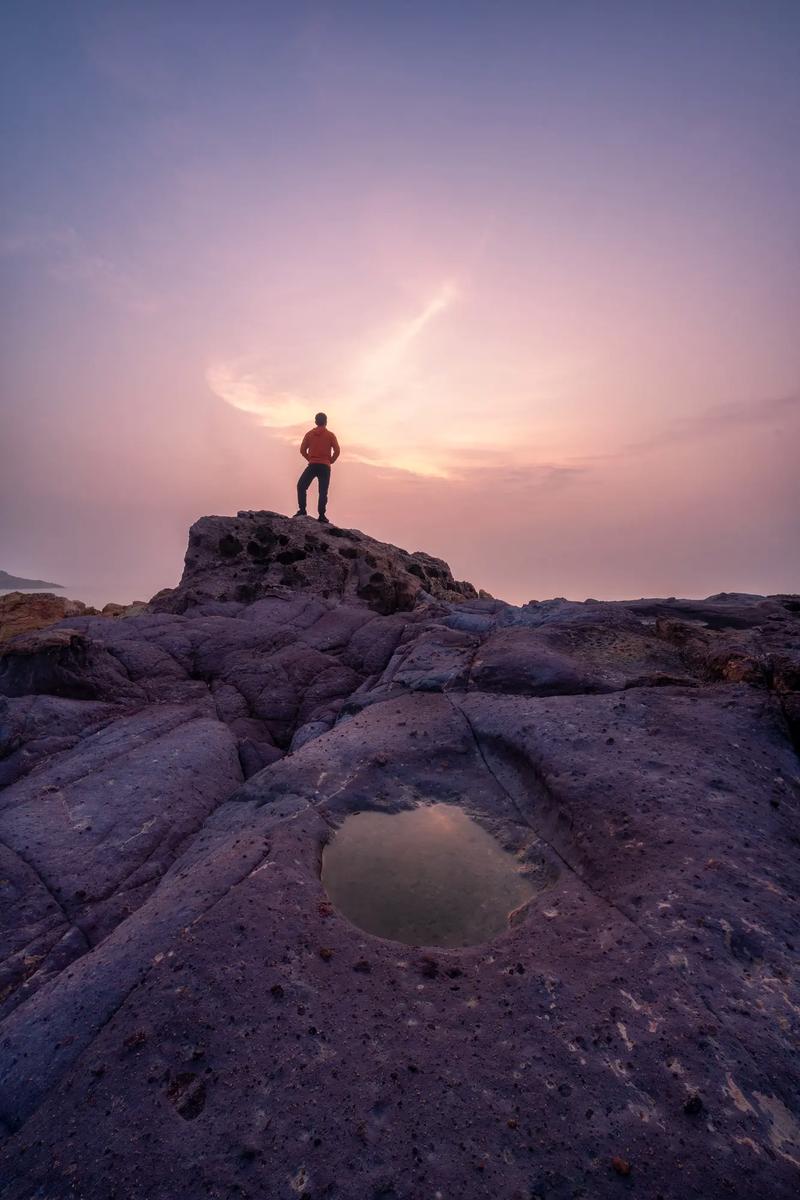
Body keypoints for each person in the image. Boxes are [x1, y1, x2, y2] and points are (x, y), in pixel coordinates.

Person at [294, 412, 340, 524]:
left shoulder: (309, 434)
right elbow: (337, 451)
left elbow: (302, 450)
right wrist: (330, 461)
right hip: (325, 467)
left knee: (301, 486)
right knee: (323, 491)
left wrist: (310, 459)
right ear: (326, 422)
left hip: (313, 465)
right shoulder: (330, 435)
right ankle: (322, 515)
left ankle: (302, 510)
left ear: (315, 421)